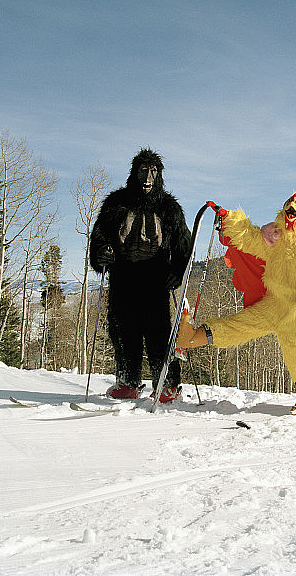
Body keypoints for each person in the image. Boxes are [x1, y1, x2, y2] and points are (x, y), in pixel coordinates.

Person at [177, 193, 296, 413]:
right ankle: (191, 337)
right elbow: (249, 238)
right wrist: (227, 218)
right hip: (275, 304)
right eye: (288, 209)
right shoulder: (276, 238)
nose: (291, 214)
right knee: (240, 324)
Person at [90, 149, 191, 402]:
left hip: (155, 279)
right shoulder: (116, 203)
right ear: (134, 173)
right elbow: (99, 236)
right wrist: (102, 253)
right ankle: (128, 382)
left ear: (159, 176)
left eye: (153, 172)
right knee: (123, 332)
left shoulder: (170, 208)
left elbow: (184, 247)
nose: (147, 177)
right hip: (123, 278)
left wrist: (176, 272)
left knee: (158, 334)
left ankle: (167, 385)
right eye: (143, 171)